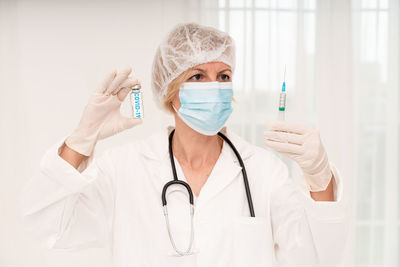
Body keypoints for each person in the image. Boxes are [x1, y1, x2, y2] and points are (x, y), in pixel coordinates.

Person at [19, 23, 348, 267]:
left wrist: (319, 177)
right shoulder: (124, 168)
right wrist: (81, 140)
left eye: (223, 76)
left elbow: (317, 256)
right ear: (170, 90)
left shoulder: (263, 170)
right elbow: (48, 228)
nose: (214, 87)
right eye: (197, 76)